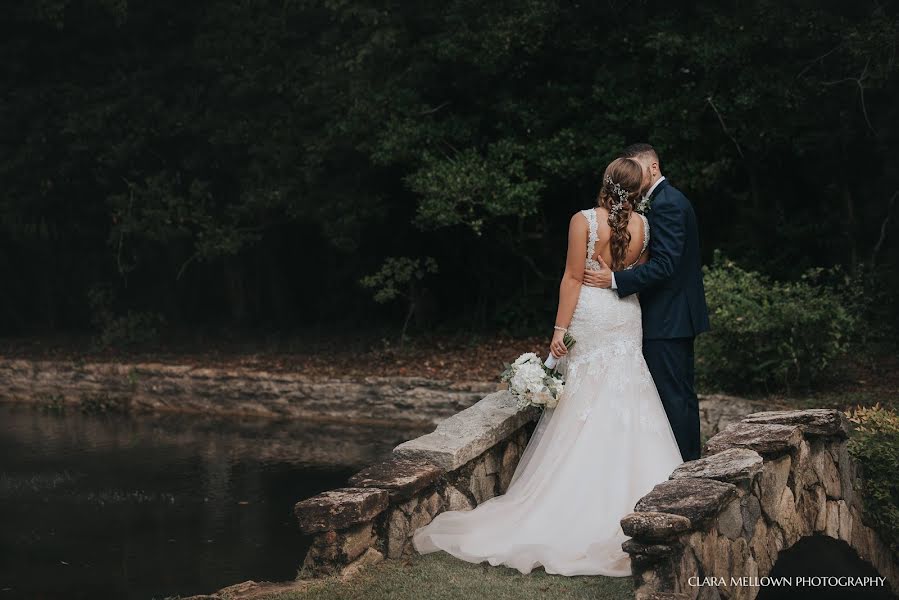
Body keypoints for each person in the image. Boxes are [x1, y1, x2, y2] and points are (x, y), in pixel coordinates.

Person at [411, 157, 683, 576]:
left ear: (605, 183)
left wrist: (559, 330)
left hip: (592, 314)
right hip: (626, 315)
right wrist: (618, 274)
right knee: (629, 389)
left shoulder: (583, 221)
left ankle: (569, 505)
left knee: (586, 398)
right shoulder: (643, 226)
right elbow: (644, 269)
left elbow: (573, 278)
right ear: (636, 189)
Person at [582, 143, 710, 461]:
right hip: (666, 316)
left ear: (652, 167)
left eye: (636, 168)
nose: (632, 177)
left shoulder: (667, 203)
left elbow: (666, 265)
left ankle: (686, 468)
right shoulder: (656, 202)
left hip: (670, 318)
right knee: (666, 396)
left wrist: (614, 280)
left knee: (673, 397)